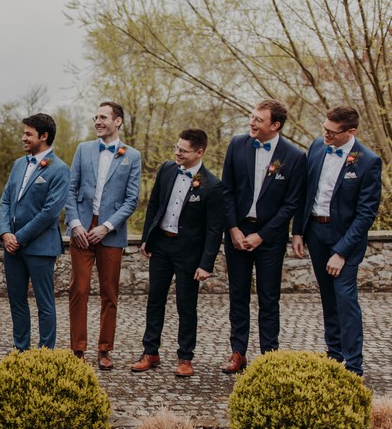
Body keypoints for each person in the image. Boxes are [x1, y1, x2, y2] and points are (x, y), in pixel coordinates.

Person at [292, 106, 382, 376]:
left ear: (351, 132)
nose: (325, 134)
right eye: (324, 128)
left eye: (332, 131)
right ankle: (334, 356)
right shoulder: (318, 146)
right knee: (328, 298)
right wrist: (298, 231)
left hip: (346, 238)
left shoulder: (368, 160)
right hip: (316, 233)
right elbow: (305, 191)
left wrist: (341, 252)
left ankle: (353, 365)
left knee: (345, 297)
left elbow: (366, 214)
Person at [221, 99, 305, 373]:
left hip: (270, 238)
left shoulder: (293, 157)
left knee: (269, 298)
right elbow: (227, 190)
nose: (252, 122)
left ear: (275, 125)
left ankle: (269, 356)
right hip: (237, 233)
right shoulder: (237, 144)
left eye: (258, 119)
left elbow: (292, 204)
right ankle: (238, 352)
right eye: (252, 117)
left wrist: (263, 236)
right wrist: (233, 228)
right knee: (238, 295)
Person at [131, 129, 224, 377]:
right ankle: (150, 351)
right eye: (176, 147)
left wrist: (206, 264)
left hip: (188, 252)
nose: (177, 153)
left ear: (199, 152)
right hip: (161, 245)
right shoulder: (167, 169)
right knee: (155, 300)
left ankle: (185, 357)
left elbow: (215, 230)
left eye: (183, 150)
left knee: (186, 305)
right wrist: (146, 239)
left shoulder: (212, 186)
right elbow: (154, 205)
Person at [64, 102, 141, 369]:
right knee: (79, 289)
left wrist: (106, 226)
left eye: (103, 117)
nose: (98, 121)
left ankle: (105, 350)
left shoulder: (132, 155)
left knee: (109, 293)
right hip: (82, 231)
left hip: (110, 232)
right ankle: (77, 349)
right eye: (96, 117)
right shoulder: (83, 150)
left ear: (117, 122)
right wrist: (75, 224)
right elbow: (70, 190)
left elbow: (132, 200)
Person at [0, 113, 70, 351]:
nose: (23, 138)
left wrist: (20, 237)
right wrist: (6, 232)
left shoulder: (60, 170)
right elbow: (6, 200)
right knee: (17, 301)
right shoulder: (19, 164)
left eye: (28, 134)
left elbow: (50, 213)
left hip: (40, 247)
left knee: (44, 304)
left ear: (44, 136)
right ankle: (21, 351)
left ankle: (45, 355)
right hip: (12, 247)